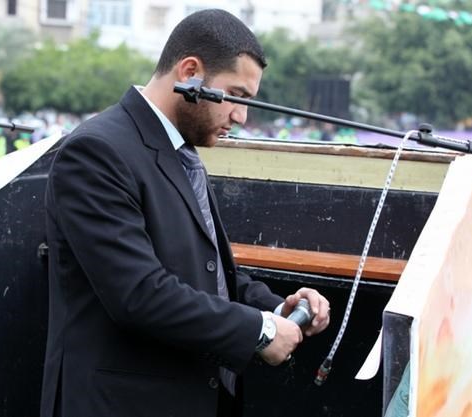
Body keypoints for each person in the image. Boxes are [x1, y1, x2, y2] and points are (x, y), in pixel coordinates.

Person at [41, 9, 330, 417]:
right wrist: (261, 331)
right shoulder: (97, 151)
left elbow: (205, 273)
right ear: (190, 73)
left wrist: (277, 307)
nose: (241, 117)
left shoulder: (179, 150)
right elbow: (139, 294)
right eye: (236, 96)